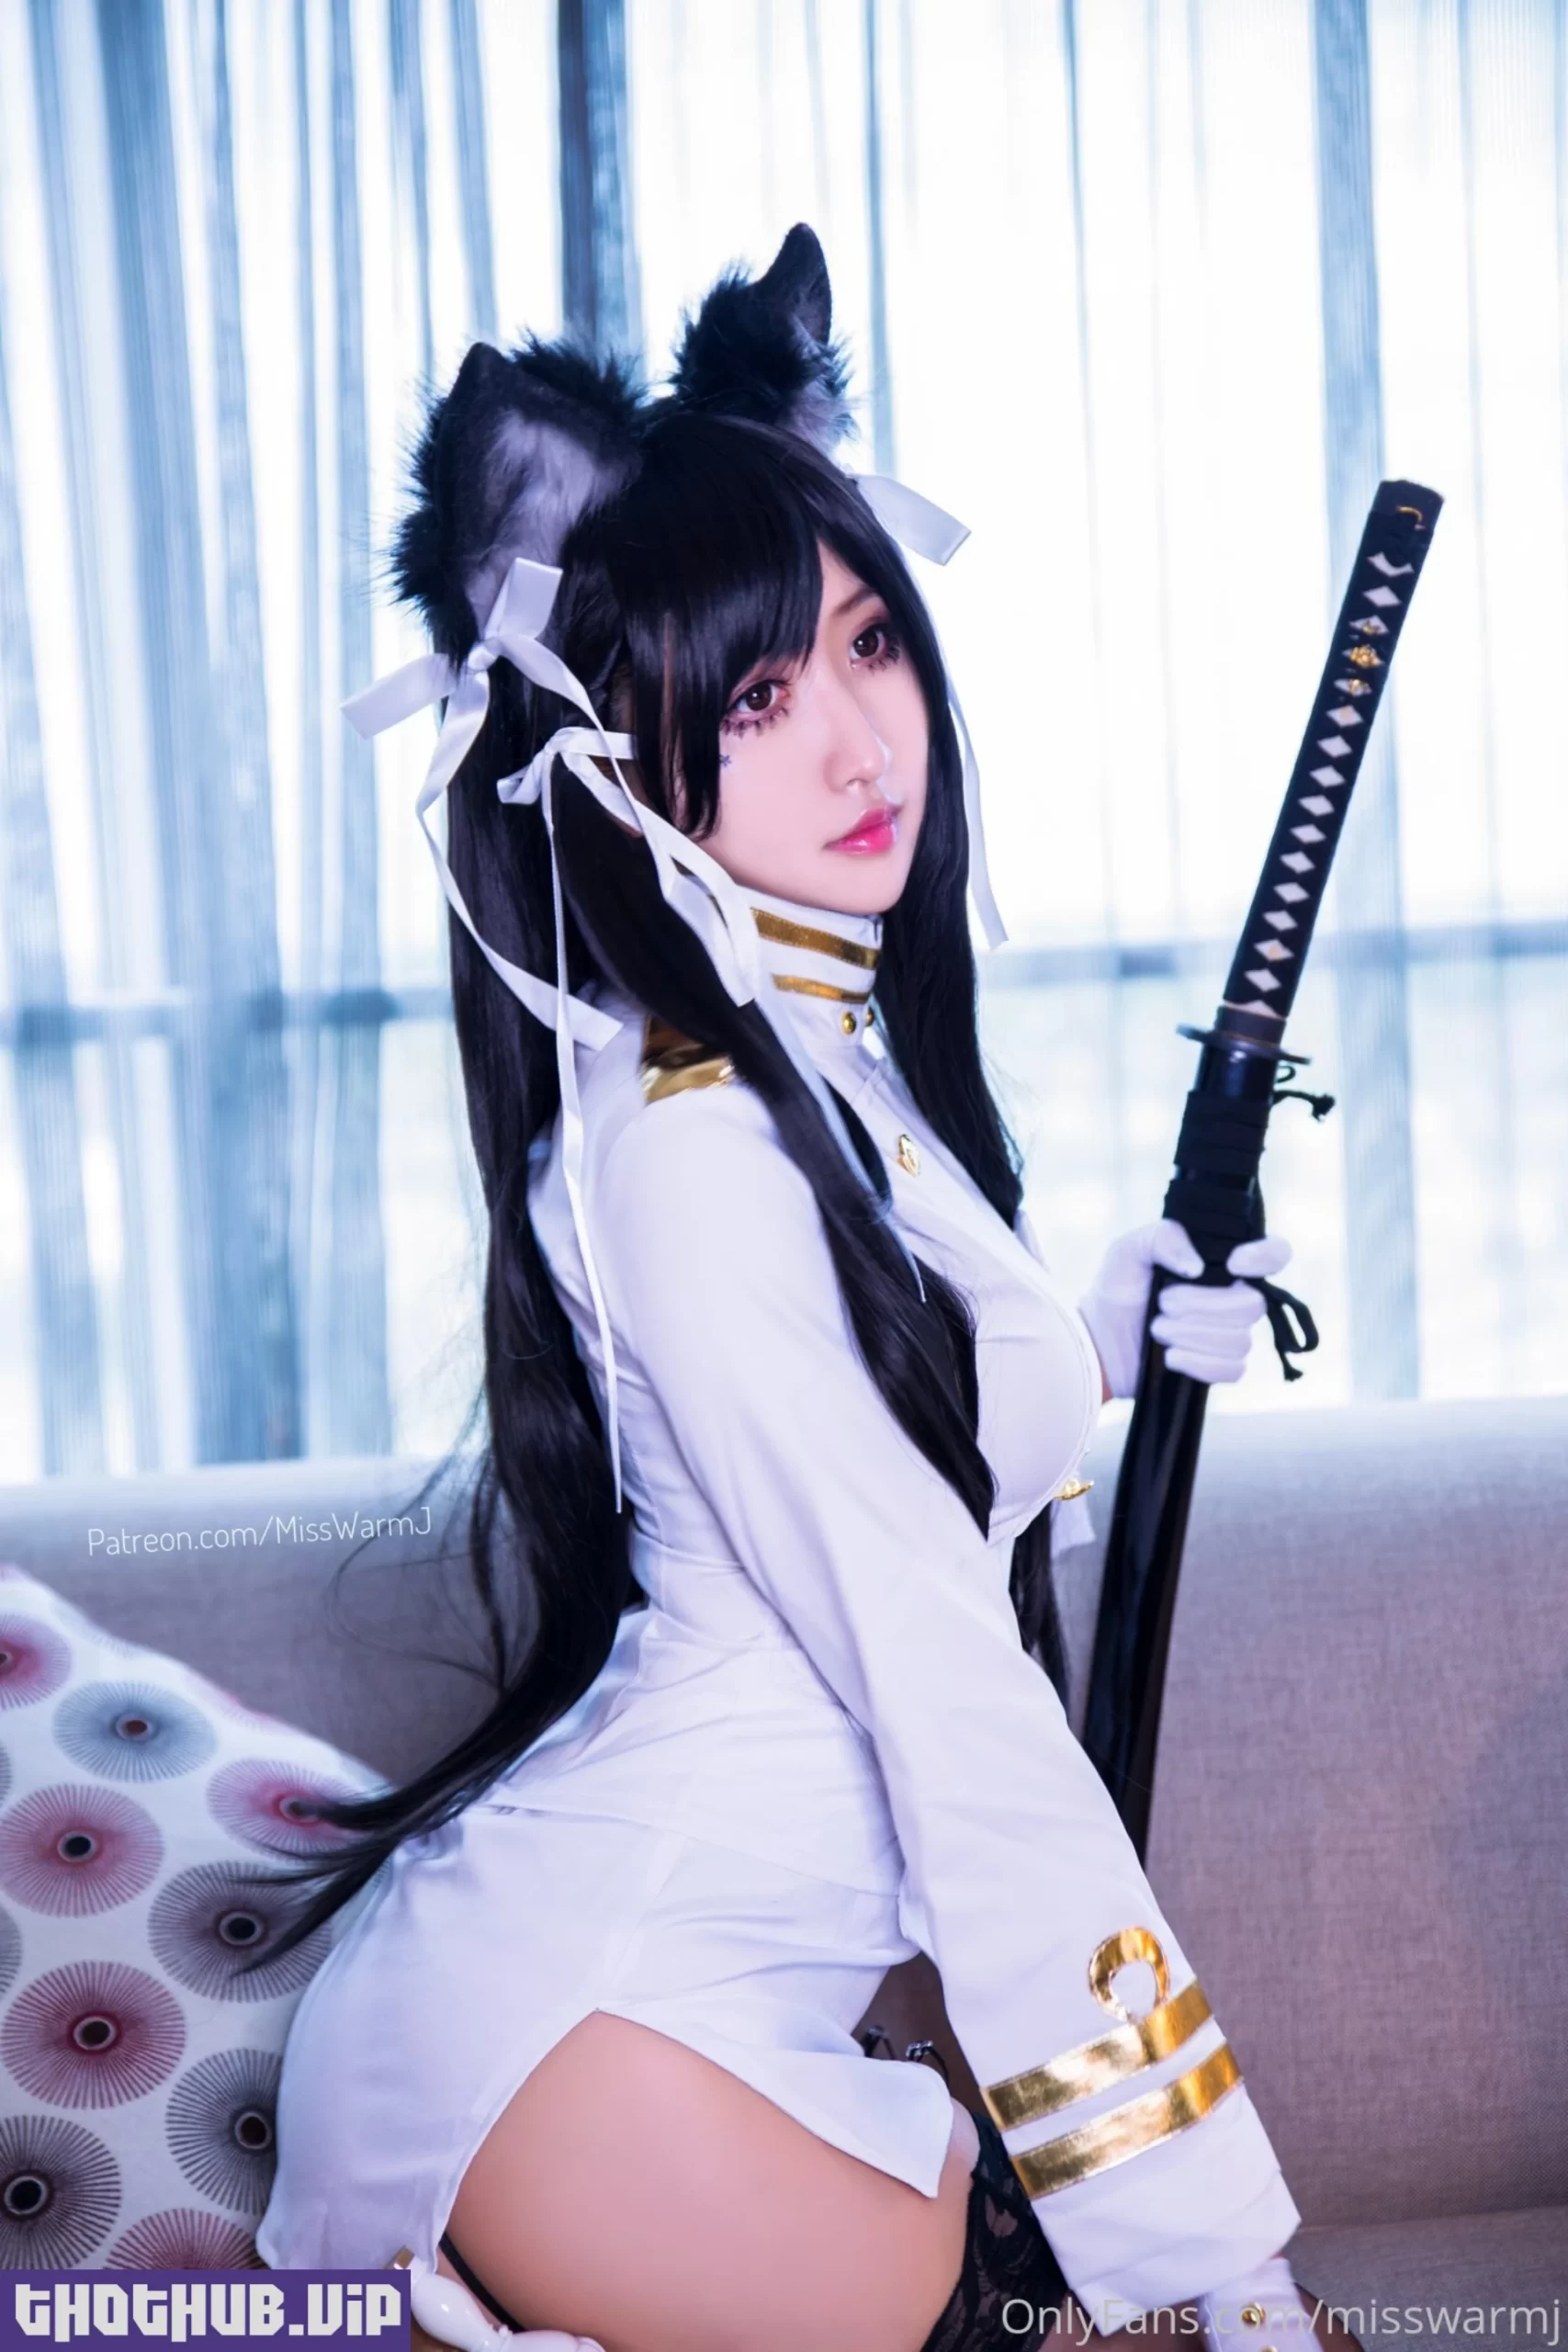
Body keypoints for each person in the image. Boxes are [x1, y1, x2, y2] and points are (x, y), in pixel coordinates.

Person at [255, 227, 1317, 2352]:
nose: (858, 745)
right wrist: (1232, 2251)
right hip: (571, 2037)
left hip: (694, 2019)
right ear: (618, 748)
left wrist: (1093, 1331)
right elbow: (935, 1662)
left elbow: (873, 1408)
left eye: (868, 643)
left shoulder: (809, 1064)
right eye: (757, 695)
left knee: (997, 2261)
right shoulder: (693, 1141)